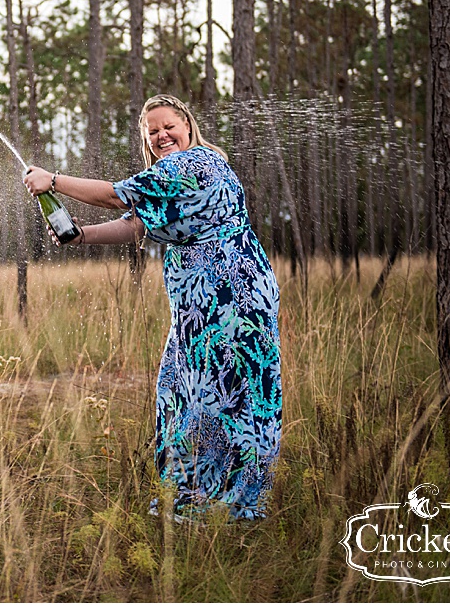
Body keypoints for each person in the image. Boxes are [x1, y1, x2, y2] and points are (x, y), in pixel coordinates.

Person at [23, 94, 281, 521]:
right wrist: (81, 236)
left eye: (169, 126)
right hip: (207, 304)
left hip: (229, 301)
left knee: (221, 397)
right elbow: (138, 222)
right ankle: (206, 499)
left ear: (188, 125)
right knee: (191, 391)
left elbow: (115, 197)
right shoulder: (171, 176)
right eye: (153, 131)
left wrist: (53, 180)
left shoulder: (195, 162)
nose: (162, 136)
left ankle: (221, 505)